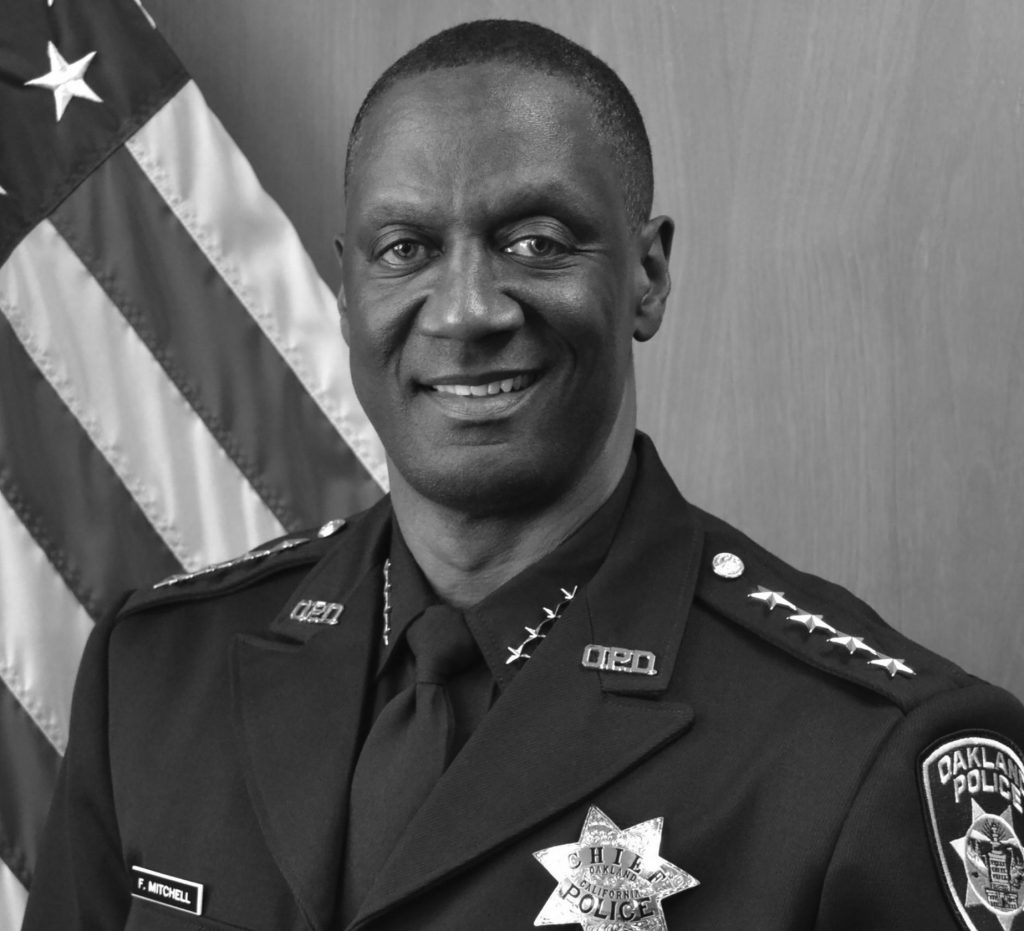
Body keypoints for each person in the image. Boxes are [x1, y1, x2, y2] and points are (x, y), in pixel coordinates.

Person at [23, 19, 1024, 931]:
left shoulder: (866, 755)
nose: (464, 311)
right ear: (346, 287)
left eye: (535, 242)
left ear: (646, 274)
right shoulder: (155, 676)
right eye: (405, 248)